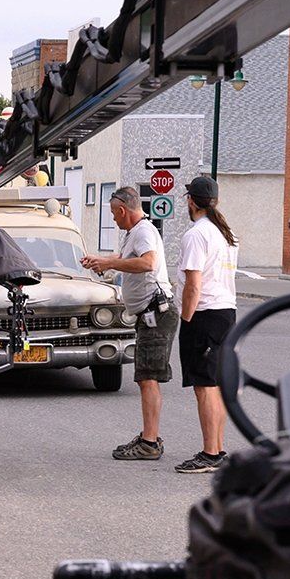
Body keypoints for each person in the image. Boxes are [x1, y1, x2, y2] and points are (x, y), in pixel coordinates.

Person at [82, 186, 175, 461]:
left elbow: (148, 263)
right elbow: (124, 261)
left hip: (156, 312)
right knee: (146, 377)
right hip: (147, 314)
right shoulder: (134, 233)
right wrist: (104, 263)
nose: (113, 219)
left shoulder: (144, 231)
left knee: (148, 378)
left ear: (123, 210)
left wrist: (110, 263)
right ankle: (149, 436)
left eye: (113, 213)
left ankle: (149, 442)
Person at [174, 174, 240, 474]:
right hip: (226, 312)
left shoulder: (197, 234)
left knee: (205, 386)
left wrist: (186, 318)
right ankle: (218, 447)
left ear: (191, 201)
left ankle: (210, 453)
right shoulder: (226, 233)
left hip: (204, 314)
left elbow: (193, 285)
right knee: (217, 384)